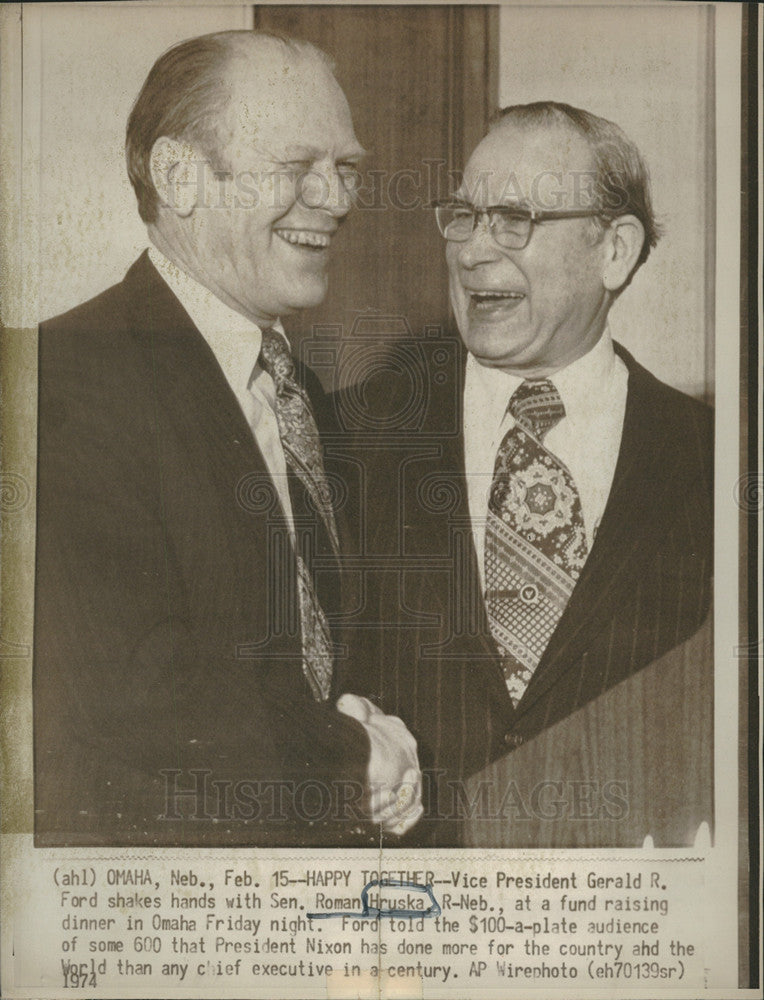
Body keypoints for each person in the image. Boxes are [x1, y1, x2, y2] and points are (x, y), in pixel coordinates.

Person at [33, 30, 422, 847]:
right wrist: (354, 759)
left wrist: (387, 747)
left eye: (346, 167)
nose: (337, 198)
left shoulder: (302, 395)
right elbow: (133, 686)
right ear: (179, 176)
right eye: (296, 166)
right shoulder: (62, 377)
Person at [338, 101, 713, 845]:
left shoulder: (715, 461)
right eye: (463, 217)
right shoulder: (351, 434)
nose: (473, 252)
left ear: (615, 250)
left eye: (513, 219)